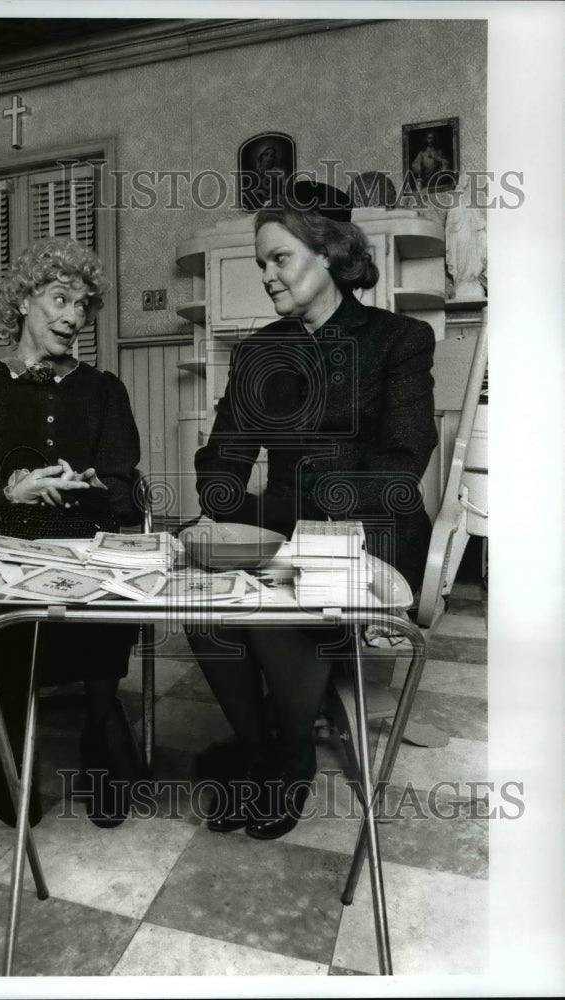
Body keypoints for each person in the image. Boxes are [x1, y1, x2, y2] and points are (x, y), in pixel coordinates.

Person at [187, 181, 437, 840]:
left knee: (275, 608)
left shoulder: (399, 339)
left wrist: (307, 518)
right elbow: (224, 459)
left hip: (375, 526)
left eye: (280, 259)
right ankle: (259, 741)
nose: (267, 275)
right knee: (199, 598)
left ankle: (291, 756)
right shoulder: (259, 351)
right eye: (261, 262)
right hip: (287, 524)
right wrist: (222, 511)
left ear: (329, 252)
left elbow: (405, 457)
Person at [0, 237, 141, 830]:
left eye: (84, 305)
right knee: (6, 611)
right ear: (23, 302)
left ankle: (98, 731)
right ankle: (14, 746)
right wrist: (6, 490)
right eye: (59, 298)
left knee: (113, 597)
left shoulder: (105, 391)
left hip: (80, 541)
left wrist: (98, 488)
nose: (74, 316)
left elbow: (126, 485)